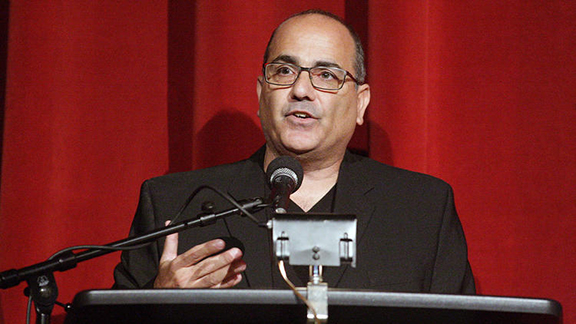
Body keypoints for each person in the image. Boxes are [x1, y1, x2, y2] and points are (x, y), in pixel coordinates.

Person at [113, 9, 475, 294]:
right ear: (260, 95)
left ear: (361, 103)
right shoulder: (174, 204)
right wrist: (158, 301)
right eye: (284, 71)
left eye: (327, 75)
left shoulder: (422, 210)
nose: (301, 90)